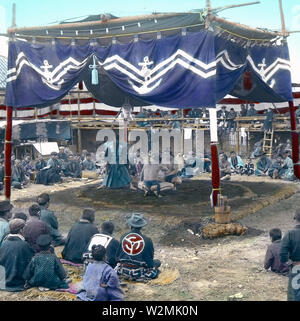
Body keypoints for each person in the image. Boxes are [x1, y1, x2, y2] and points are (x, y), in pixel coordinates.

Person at [116, 213, 161, 281]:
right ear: (141, 226)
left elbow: (117, 257)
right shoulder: (147, 240)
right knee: (157, 263)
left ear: (130, 225)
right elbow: (150, 262)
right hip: (138, 273)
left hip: (123, 271)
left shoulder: (123, 237)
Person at [0, 219, 34, 291]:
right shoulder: (24, 245)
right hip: (19, 284)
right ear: (21, 230)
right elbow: (31, 264)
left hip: (3, 283)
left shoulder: (4, 243)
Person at [280, 209, 300, 301]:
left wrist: (288, 262)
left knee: (295, 294)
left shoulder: (290, 233)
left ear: (295, 218)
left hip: (296, 267)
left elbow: (282, 253)